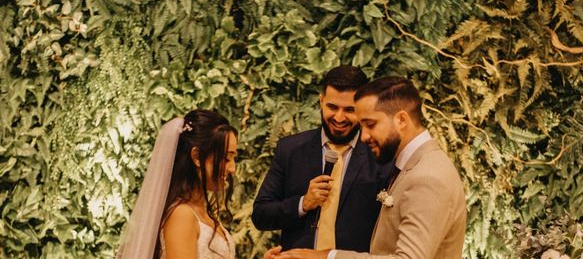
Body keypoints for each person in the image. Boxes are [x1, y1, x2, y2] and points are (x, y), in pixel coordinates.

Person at [278, 76, 467, 259]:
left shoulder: (428, 177)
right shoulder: (413, 166)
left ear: (401, 120)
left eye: (370, 124)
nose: (363, 137)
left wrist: (328, 256)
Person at [252, 66, 391, 252]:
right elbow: (261, 215)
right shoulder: (291, 149)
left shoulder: (381, 155)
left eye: (349, 110)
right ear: (321, 101)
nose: (339, 118)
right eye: (332, 107)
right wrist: (303, 203)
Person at [117, 109, 282, 259]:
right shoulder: (182, 215)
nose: (232, 168)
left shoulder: (201, 211)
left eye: (233, 158)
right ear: (196, 157)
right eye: (225, 158)